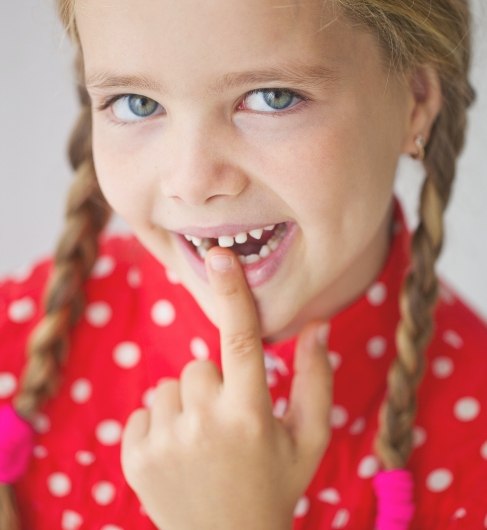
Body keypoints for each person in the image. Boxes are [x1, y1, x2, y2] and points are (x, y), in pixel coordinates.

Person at [0, 0, 486, 528]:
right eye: (137, 103)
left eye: (271, 99)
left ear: (415, 102)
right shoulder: (15, 340)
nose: (191, 181)